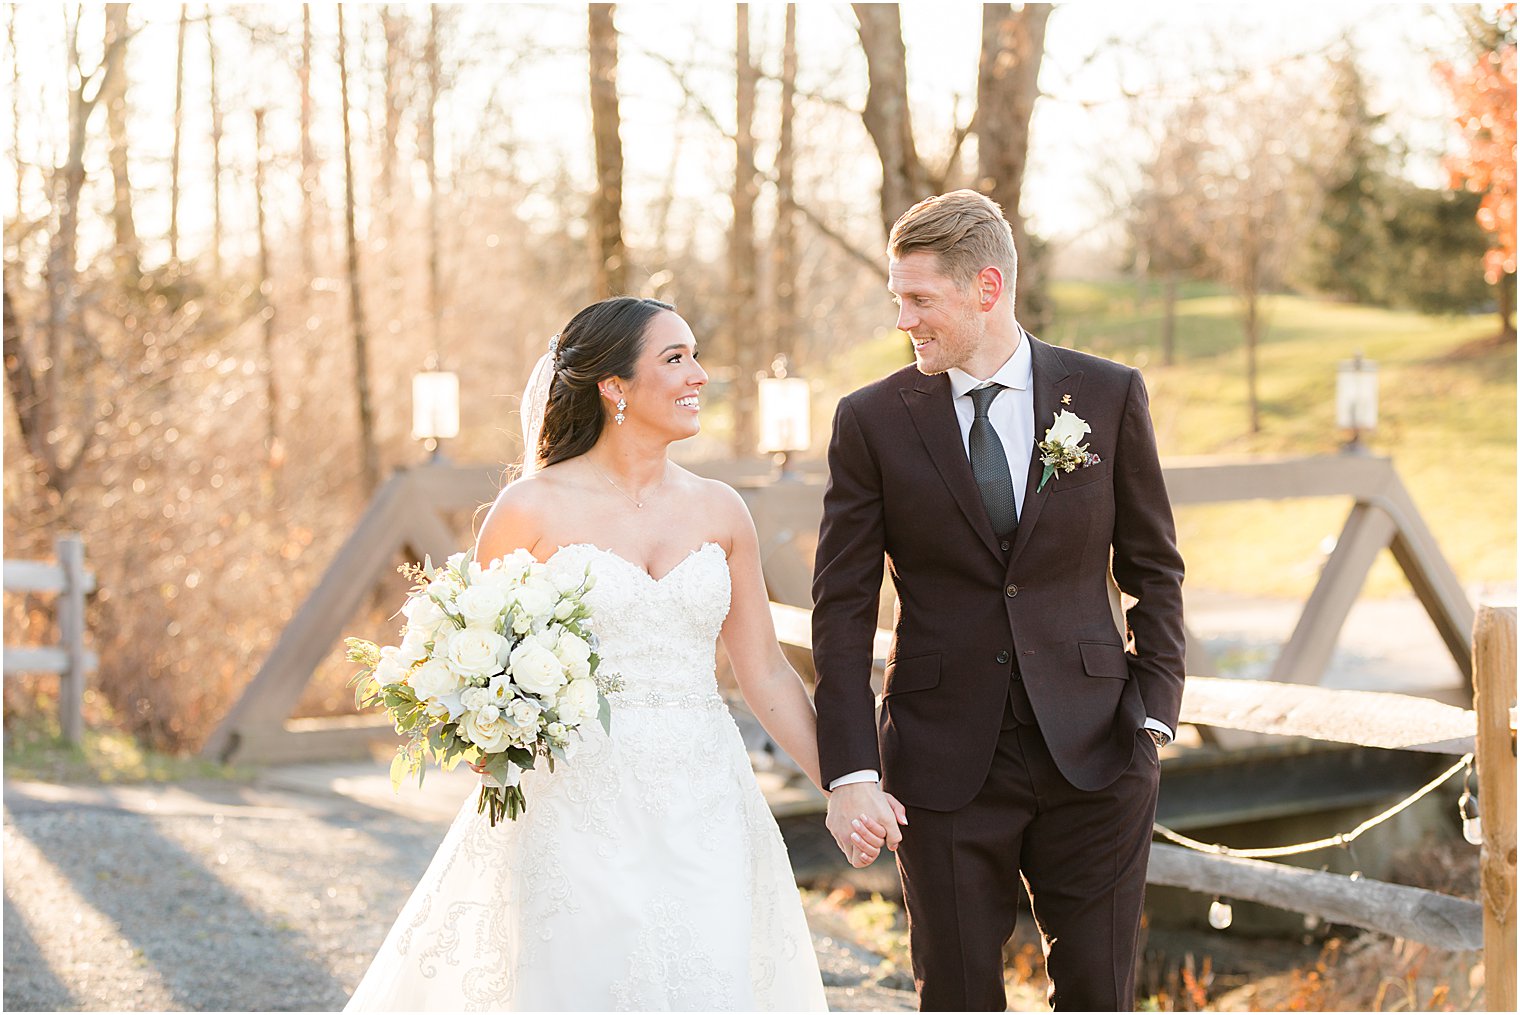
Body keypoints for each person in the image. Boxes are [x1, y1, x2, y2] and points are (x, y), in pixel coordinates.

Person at [345, 297, 854, 1011]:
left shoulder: (722, 509)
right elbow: (471, 658)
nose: (699, 375)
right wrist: (493, 730)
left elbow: (765, 671)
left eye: (696, 355)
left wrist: (844, 784)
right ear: (614, 388)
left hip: (706, 799)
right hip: (573, 801)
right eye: (675, 358)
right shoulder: (529, 509)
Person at [811, 191, 1186, 1012]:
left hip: (1097, 752)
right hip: (941, 764)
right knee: (956, 995)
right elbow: (840, 607)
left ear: (987, 288)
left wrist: (1154, 710)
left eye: (920, 300)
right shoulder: (871, 420)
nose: (905, 320)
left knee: (1098, 995)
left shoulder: (1108, 394)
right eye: (897, 300)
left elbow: (1156, 567)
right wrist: (849, 770)